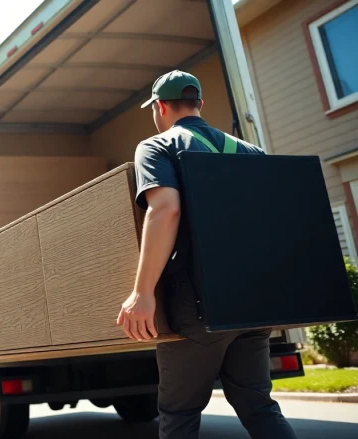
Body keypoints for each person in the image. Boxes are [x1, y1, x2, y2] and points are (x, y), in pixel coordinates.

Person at [116, 70, 298, 439]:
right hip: (256, 303)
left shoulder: (156, 147)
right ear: (200, 104)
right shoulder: (251, 151)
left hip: (199, 307)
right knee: (259, 408)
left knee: (179, 413)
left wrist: (143, 293)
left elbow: (166, 210)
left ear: (161, 107)